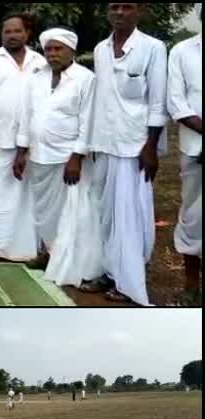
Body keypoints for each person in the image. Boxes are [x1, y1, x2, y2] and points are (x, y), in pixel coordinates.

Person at [84, 3, 168, 305]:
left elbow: (158, 102)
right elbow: (102, 99)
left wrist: (150, 147)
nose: (119, 12)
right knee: (106, 215)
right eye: (114, 7)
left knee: (132, 216)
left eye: (126, 7)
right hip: (104, 144)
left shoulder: (153, 48)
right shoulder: (99, 49)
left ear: (139, 12)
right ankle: (109, 270)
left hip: (135, 147)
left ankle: (130, 281)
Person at [15, 28, 100, 288]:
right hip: (39, 156)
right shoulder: (36, 78)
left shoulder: (86, 79)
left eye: (58, 49)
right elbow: (26, 115)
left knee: (74, 212)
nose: (52, 54)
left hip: (67, 159)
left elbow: (88, 120)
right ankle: (50, 253)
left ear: (71, 51)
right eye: (48, 49)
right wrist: (21, 151)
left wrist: (76, 156)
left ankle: (76, 264)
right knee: (44, 212)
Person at [0, 13, 47, 264]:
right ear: (1, 34)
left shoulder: (39, 61)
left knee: (26, 195)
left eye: (17, 31)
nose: (12, 35)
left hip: (31, 140)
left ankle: (27, 247)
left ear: (28, 34)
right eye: (7, 31)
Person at [168, 8, 202, 306]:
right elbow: (176, 102)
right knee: (193, 216)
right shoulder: (182, 51)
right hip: (196, 148)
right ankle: (192, 285)